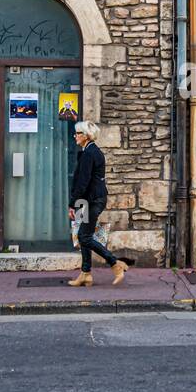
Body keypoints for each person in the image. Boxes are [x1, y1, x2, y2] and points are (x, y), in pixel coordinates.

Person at [67, 121, 128, 286]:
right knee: (83, 235)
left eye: (77, 133)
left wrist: (72, 204)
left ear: (85, 136)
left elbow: (82, 182)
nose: (75, 136)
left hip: (92, 201)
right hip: (90, 200)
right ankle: (85, 274)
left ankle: (115, 264)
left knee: (84, 237)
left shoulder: (89, 153)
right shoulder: (90, 151)